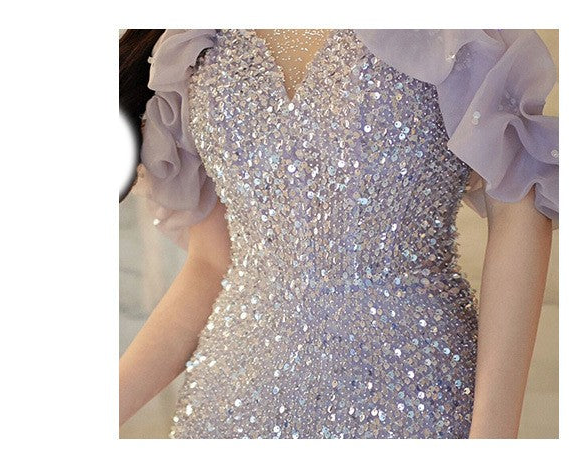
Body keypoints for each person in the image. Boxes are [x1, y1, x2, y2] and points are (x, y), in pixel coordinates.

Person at [118, 29, 558, 439]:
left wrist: (492, 440)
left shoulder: (453, 27)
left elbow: (518, 213)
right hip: (226, 404)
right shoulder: (191, 39)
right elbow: (211, 266)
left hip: (415, 400)